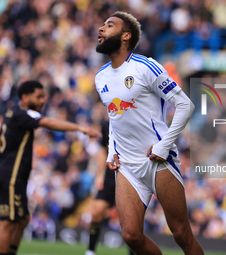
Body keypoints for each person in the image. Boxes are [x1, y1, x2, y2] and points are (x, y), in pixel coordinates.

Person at [95, 11, 204, 254]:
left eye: (109, 25)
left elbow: (187, 105)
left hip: (158, 160)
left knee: (181, 233)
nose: (101, 29)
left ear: (126, 36)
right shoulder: (100, 76)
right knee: (131, 235)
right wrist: (112, 150)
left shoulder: (146, 66)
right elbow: (114, 117)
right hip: (127, 165)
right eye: (102, 25)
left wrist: (164, 145)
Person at [0, 80, 101, 255]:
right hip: (11, 176)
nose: (42, 101)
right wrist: (80, 128)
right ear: (24, 97)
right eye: (38, 97)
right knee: (8, 222)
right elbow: (49, 123)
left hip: (17, 177)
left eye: (43, 97)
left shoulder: (14, 113)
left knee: (23, 219)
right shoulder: (22, 113)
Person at [85, 119, 134, 255]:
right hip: (108, 176)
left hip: (129, 177)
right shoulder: (106, 124)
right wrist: (99, 175)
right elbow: (102, 152)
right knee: (96, 213)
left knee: (130, 221)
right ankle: (90, 251)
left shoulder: (133, 121)